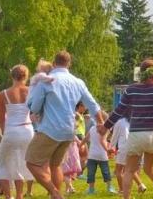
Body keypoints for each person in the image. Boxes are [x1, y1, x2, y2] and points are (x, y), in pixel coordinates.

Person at [25, 51, 104, 199]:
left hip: (49, 129)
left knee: (31, 163)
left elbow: (34, 108)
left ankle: (55, 193)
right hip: (69, 131)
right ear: (69, 64)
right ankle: (56, 195)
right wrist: (100, 123)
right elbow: (93, 105)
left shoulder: (47, 80)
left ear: (54, 63)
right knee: (55, 165)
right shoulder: (78, 82)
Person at [99, 59, 153, 199]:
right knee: (150, 169)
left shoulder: (130, 90)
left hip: (136, 134)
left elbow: (119, 111)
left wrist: (106, 126)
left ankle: (126, 197)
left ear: (140, 73)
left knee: (129, 170)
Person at [0, 65, 35, 199]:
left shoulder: (4, 93)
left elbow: (1, 118)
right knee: (21, 162)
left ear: (12, 76)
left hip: (12, 130)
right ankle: (19, 195)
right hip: (28, 130)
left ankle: (8, 196)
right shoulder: (31, 91)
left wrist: (5, 133)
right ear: (26, 76)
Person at [109, 115, 146, 195]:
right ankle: (141, 185)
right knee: (129, 169)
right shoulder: (134, 120)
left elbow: (115, 136)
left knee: (118, 171)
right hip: (133, 147)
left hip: (123, 148)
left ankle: (122, 190)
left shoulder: (120, 122)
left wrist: (110, 147)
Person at [84, 112, 116, 194]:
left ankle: (91, 189)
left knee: (91, 173)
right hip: (102, 155)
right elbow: (102, 141)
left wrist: (80, 145)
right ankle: (109, 188)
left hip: (92, 155)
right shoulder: (106, 129)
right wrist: (107, 150)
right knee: (106, 172)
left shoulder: (92, 128)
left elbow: (86, 138)